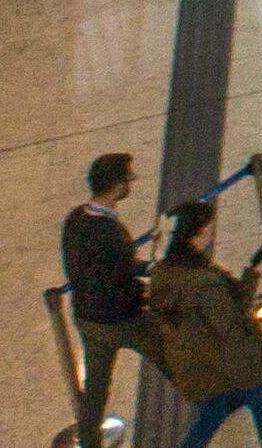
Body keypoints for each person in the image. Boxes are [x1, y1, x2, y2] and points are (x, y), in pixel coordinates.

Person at [142, 200, 262, 448]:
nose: (210, 230)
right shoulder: (204, 283)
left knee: (211, 416)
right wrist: (257, 359)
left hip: (195, 369)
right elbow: (231, 323)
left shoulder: (164, 270)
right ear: (194, 237)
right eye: (207, 227)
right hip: (226, 366)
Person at [63, 152, 156, 443]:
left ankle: (91, 441)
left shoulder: (75, 218)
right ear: (116, 186)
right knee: (169, 353)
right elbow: (123, 272)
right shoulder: (110, 231)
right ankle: (212, 400)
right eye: (129, 178)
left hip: (87, 318)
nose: (131, 183)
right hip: (122, 318)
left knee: (96, 388)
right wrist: (149, 277)